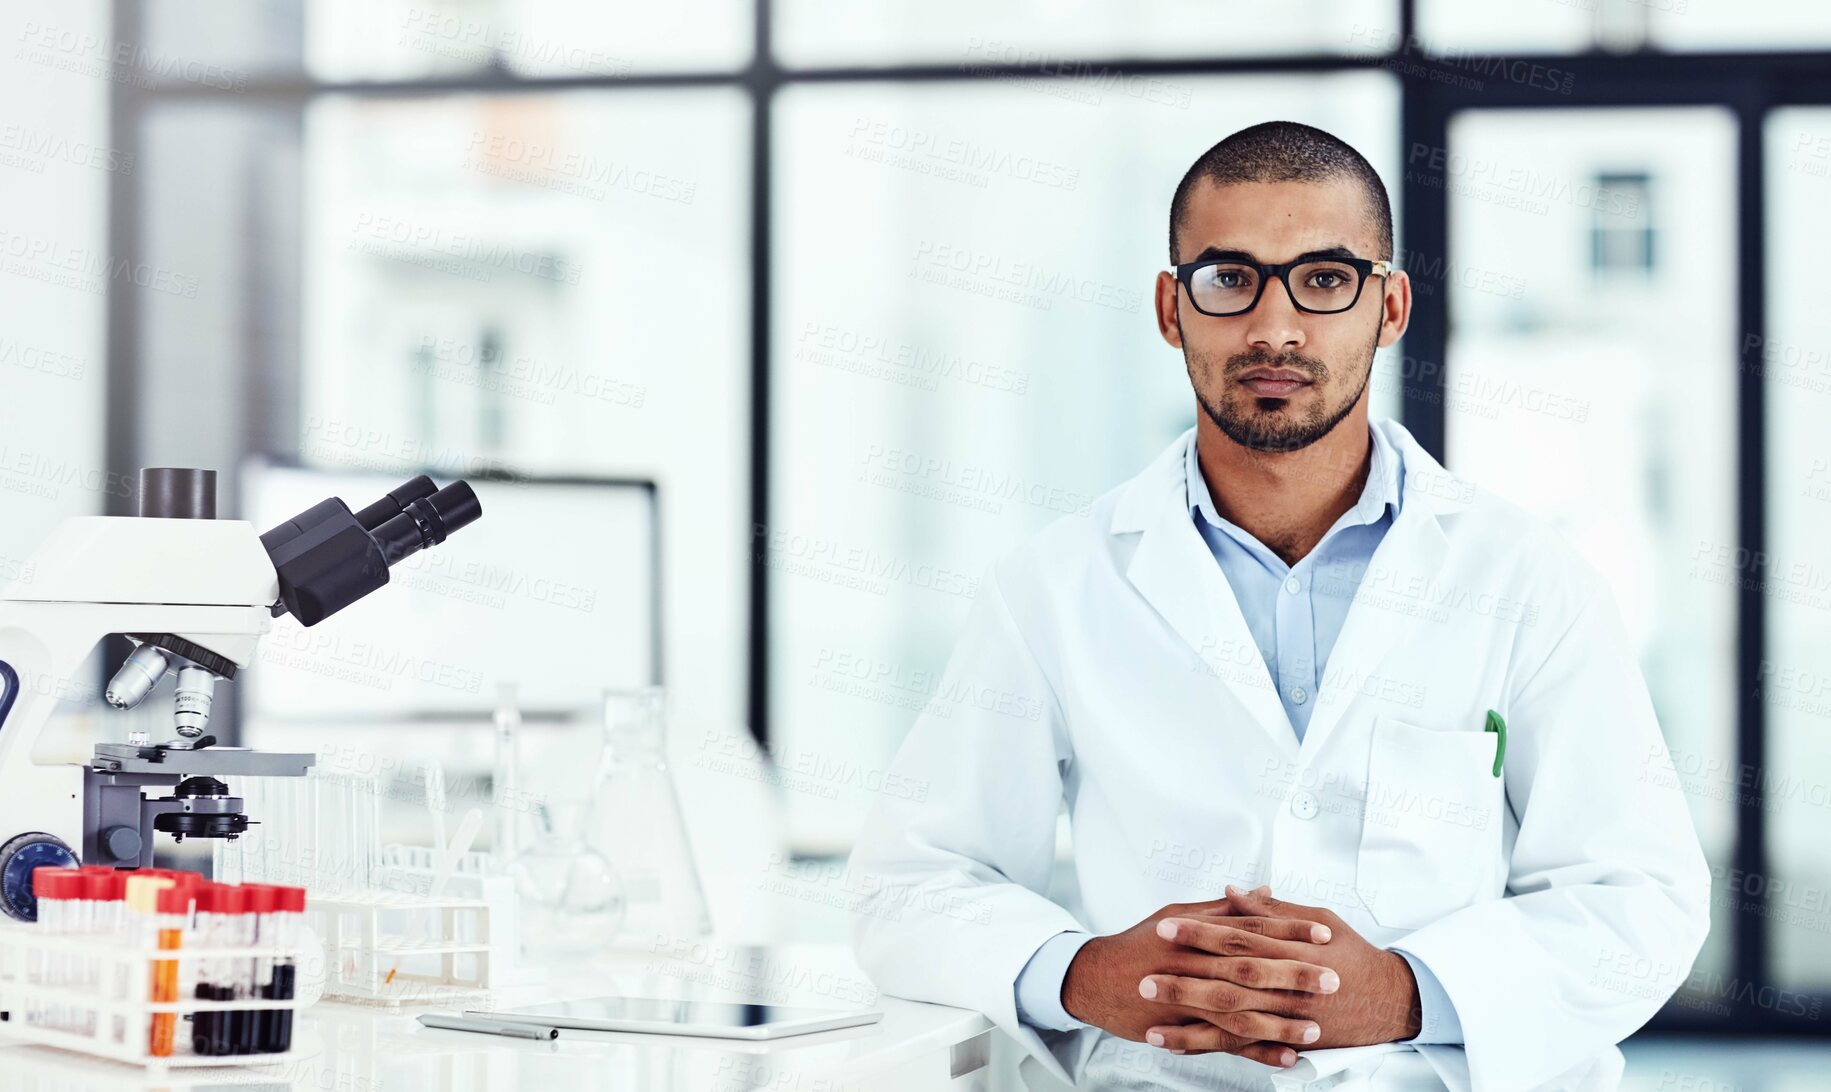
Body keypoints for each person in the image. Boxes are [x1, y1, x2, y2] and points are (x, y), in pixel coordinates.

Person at [847, 121, 1711, 1091]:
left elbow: (1640, 897)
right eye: (1229, 279)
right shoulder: (1051, 587)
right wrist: (1084, 974)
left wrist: (1405, 992)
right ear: (1172, 309)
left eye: (1325, 279)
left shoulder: (1529, 579)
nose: (1274, 329)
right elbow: (909, 884)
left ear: (1389, 307)